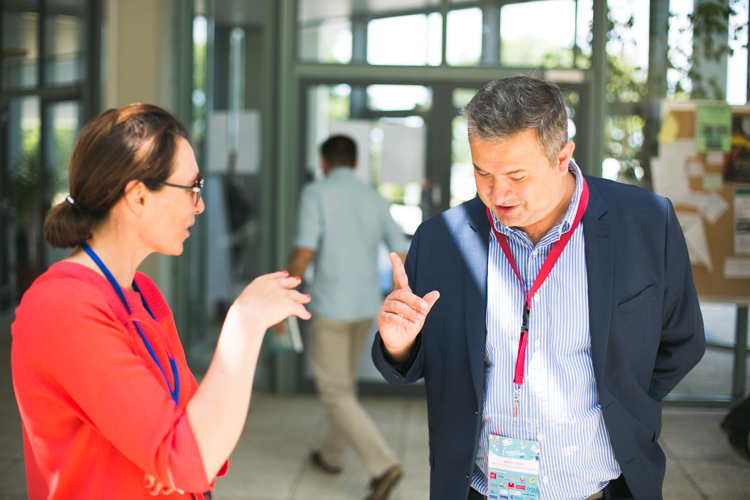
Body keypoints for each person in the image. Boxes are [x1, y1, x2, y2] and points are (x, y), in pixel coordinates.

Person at [372, 76, 706, 500]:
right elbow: (417, 366)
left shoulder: (645, 223)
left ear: (563, 156)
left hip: (600, 488)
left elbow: (682, 342)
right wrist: (399, 345)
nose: (497, 193)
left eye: (516, 175)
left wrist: (624, 400)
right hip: (480, 489)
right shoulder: (442, 240)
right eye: (481, 172)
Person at [11, 104, 311, 499]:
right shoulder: (60, 307)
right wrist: (244, 322)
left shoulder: (142, 293)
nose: (199, 206)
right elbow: (187, 460)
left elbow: (198, 434)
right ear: (137, 197)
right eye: (191, 189)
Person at [284, 135, 407, 500]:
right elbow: (399, 248)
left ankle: (383, 464)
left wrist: (284, 295)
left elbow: (304, 251)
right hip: (365, 307)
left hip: (332, 307)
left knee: (334, 389)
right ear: (354, 163)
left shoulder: (316, 194)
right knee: (344, 385)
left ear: (324, 162)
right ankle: (330, 454)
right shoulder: (373, 197)